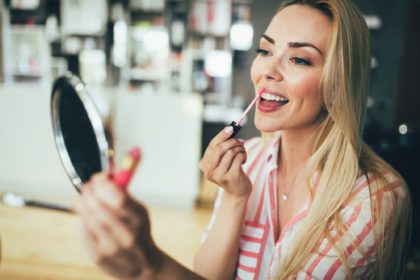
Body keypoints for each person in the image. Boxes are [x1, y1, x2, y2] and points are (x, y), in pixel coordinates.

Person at [76, 0, 412, 279]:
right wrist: (235, 198)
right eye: (265, 51)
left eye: (298, 59)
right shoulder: (248, 158)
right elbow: (210, 274)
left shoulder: (374, 198)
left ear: (339, 82)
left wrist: (148, 266)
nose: (267, 70)